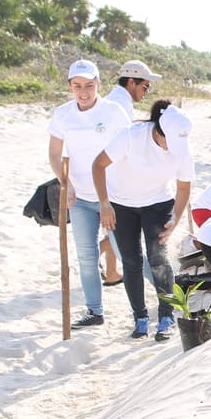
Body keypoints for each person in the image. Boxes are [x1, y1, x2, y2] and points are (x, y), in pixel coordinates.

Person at [93, 101, 194, 341]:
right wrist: (104, 203)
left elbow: (183, 187)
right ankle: (140, 317)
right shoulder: (131, 136)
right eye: (169, 141)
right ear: (158, 132)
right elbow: (98, 165)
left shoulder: (181, 148)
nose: (173, 148)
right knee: (131, 261)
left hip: (158, 204)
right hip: (121, 205)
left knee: (158, 258)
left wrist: (175, 219)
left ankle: (166, 316)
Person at [48, 59, 133, 326]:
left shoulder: (114, 111)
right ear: (70, 86)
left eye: (88, 85)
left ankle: (165, 300)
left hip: (113, 195)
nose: (83, 92)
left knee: (127, 253)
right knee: (86, 256)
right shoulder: (62, 114)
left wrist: (117, 194)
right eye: (77, 86)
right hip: (80, 198)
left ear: (98, 84)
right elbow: (54, 153)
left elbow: (129, 149)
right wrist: (66, 183)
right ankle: (94, 311)